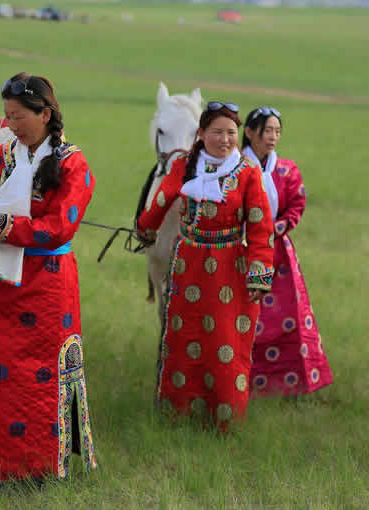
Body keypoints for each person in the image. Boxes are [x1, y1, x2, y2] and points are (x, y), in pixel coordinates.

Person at [0, 72, 97, 480]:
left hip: (48, 284)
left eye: (20, 116)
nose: (11, 124)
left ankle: (38, 468)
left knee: (39, 378)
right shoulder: (3, 155)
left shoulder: (72, 164)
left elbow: (60, 227)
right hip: (1, 284)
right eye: (7, 116)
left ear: (45, 114)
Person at [136, 101, 274, 431]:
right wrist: (145, 227)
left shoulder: (247, 174)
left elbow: (260, 227)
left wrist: (259, 273)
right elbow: (161, 200)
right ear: (201, 134)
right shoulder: (185, 166)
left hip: (229, 267)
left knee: (225, 342)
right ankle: (179, 414)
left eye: (231, 133)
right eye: (217, 132)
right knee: (184, 337)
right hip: (188, 266)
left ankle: (223, 421)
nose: (225, 140)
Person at [242, 107, 333, 397]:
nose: (272, 137)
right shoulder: (235, 167)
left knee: (286, 316)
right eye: (267, 131)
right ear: (249, 132)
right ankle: (240, 380)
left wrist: (275, 228)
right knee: (243, 314)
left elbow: (296, 205)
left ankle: (286, 384)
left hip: (277, 250)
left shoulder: (287, 170)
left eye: (277, 131)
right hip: (240, 250)